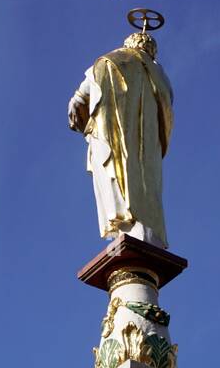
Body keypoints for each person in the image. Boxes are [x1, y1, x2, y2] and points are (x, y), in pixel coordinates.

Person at [68, 29, 173, 249]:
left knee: (117, 172)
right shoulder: (161, 78)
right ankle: (142, 226)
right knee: (146, 182)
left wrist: (77, 105)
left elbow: (84, 93)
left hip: (119, 141)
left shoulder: (115, 60)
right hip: (147, 151)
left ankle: (130, 222)